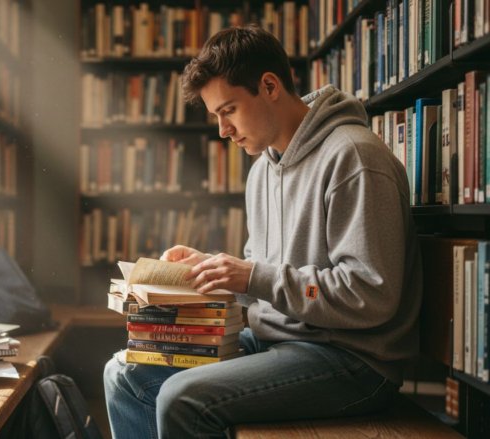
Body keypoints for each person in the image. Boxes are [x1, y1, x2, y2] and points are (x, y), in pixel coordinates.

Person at [103, 24, 422, 439]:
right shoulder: (262, 170)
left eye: (228, 110)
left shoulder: (354, 157)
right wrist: (212, 270)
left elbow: (369, 294)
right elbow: (264, 283)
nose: (222, 130)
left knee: (182, 396)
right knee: (122, 374)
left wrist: (254, 276)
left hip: (351, 360)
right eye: (217, 115)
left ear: (269, 85)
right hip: (276, 340)